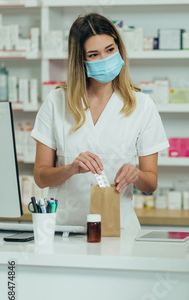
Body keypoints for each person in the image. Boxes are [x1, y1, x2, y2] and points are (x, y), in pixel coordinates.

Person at [31, 13, 169, 231]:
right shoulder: (56, 101)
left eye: (110, 50)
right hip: (67, 230)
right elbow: (40, 177)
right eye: (94, 54)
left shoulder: (142, 105)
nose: (105, 59)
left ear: (119, 48)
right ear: (81, 60)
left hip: (119, 230)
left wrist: (137, 175)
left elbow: (150, 184)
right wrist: (70, 169)